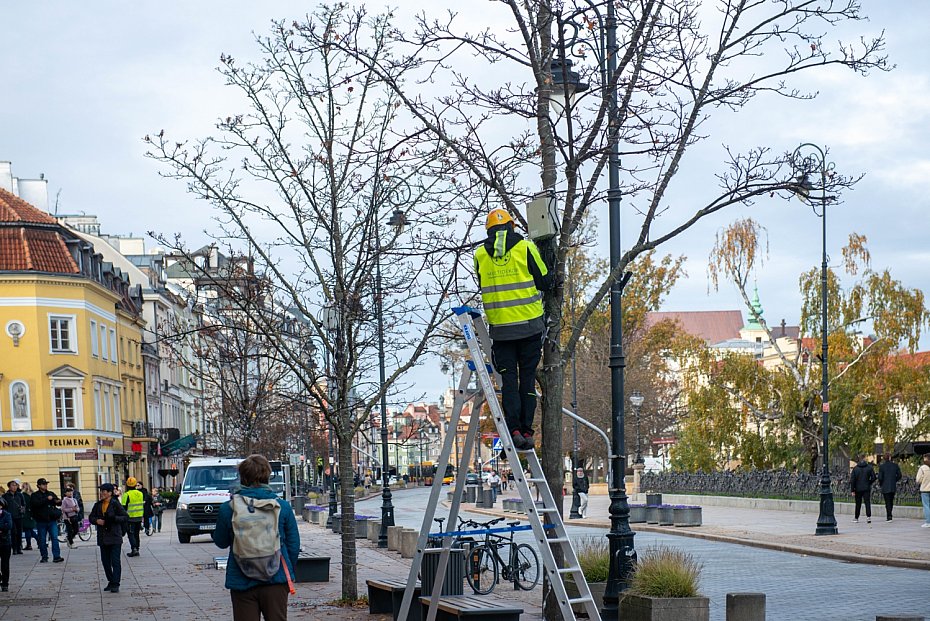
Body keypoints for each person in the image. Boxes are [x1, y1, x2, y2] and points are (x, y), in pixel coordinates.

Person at [473, 208, 553, 450]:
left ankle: (514, 429)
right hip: (529, 327)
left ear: (489, 231)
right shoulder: (525, 248)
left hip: (501, 331)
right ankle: (527, 431)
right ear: (512, 227)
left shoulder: (480, 255)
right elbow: (545, 282)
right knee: (527, 381)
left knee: (509, 381)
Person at [213, 454, 300, 621]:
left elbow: (221, 542)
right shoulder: (282, 507)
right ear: (267, 476)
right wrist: (286, 569)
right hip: (275, 579)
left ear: (242, 477)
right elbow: (294, 545)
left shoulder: (229, 508)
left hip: (241, 579)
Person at [89, 483, 128, 593]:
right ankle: (111, 581)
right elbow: (91, 517)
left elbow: (125, 517)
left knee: (115, 561)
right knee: (105, 561)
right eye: (101, 491)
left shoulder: (115, 504)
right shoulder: (98, 505)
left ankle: (116, 583)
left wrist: (113, 518)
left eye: (104, 491)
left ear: (110, 493)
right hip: (103, 537)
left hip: (114, 536)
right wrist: (97, 521)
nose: (102, 493)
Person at [30, 478, 63, 562]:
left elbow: (57, 502)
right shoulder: (35, 495)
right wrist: (46, 499)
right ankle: (44, 556)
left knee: (54, 538)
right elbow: (35, 504)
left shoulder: (50, 493)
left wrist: (58, 501)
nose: (45, 485)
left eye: (46, 484)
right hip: (41, 520)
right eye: (43, 484)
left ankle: (56, 556)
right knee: (42, 539)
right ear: (38, 486)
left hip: (52, 520)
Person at [121, 477, 144, 556]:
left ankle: (134, 549)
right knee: (137, 534)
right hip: (139, 517)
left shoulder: (126, 495)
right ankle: (137, 548)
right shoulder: (140, 493)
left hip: (130, 518)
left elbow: (123, 507)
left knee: (131, 534)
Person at [849, 457, 876, 524]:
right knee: (867, 502)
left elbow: (853, 480)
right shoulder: (869, 468)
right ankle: (868, 517)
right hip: (866, 487)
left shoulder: (855, 469)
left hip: (858, 488)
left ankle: (856, 517)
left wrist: (852, 490)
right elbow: (874, 477)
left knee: (858, 503)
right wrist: (869, 482)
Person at [877, 454, 902, 522]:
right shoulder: (895, 465)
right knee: (891, 501)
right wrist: (895, 480)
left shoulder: (882, 467)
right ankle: (890, 514)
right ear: (890, 458)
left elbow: (880, 477)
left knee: (887, 501)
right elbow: (899, 475)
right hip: (892, 485)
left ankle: (889, 516)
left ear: (884, 459)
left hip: (885, 486)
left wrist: (881, 484)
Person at [2, 481, 25, 555]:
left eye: (16, 485)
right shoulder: (5, 496)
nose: (14, 487)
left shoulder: (20, 495)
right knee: (13, 532)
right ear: (9, 487)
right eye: (13, 485)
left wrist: (22, 509)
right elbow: (3, 506)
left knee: (19, 532)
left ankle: (19, 548)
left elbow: (23, 504)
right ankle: (14, 548)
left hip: (19, 516)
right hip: (10, 517)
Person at [20, 482, 37, 551]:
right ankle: (40, 542)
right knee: (31, 530)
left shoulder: (23, 495)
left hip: (26, 514)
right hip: (32, 514)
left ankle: (29, 545)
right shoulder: (33, 494)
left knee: (27, 530)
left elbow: (22, 505)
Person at [0, 498, 12, 591]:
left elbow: (8, 526)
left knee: (5, 564)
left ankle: (5, 583)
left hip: (4, 542)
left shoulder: (6, 514)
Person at [917, 454, 930, 528]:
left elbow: (918, 480)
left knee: (926, 506)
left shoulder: (923, 468)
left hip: (925, 489)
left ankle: (928, 522)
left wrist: (922, 479)